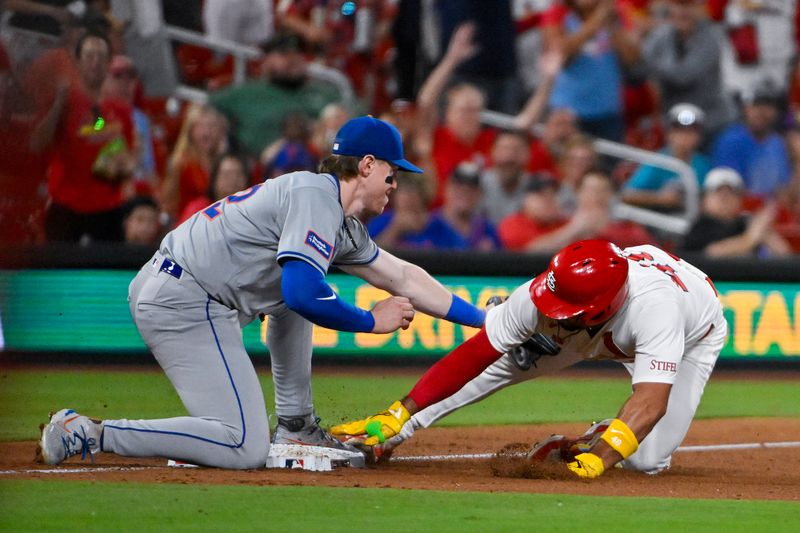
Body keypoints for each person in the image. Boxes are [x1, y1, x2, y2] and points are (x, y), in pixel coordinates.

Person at [36, 116, 489, 470]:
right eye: (392, 173)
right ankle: (92, 434)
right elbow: (303, 294)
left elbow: (405, 277)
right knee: (242, 443)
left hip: (191, 292)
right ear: (367, 165)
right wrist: (372, 322)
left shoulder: (337, 220)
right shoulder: (315, 195)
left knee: (300, 287)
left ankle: (295, 425)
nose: (396, 185)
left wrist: (487, 322)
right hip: (185, 297)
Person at [332, 239, 728, 478]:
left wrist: (601, 459)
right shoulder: (539, 292)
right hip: (595, 322)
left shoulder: (656, 310)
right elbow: (475, 356)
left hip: (693, 334)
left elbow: (651, 400)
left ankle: (596, 436)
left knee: (647, 461)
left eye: (562, 307)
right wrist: (399, 414)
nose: (549, 308)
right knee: (501, 365)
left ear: (599, 307)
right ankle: (390, 436)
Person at [29, 30, 135, 243]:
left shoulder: (119, 111)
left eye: (101, 57)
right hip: (65, 208)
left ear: (108, 64)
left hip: (108, 209)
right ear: (77, 62)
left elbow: (122, 168)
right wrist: (58, 106)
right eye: (88, 56)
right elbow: (36, 145)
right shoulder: (61, 104)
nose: (95, 62)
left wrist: (106, 138)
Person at [209, 32, 343, 158]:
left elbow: (354, 112)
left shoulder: (324, 93)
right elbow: (207, 108)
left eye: (298, 53)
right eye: (284, 53)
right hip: (258, 171)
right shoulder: (245, 94)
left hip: (316, 168)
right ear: (266, 60)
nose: (293, 59)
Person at [643, 0, 734, 143]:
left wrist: (648, 65)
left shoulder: (713, 35)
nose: (683, 11)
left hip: (711, 126)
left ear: (700, 7)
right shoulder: (662, 34)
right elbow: (636, 71)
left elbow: (683, 76)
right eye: (679, 5)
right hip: (676, 126)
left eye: (689, 5)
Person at [681, 167, 791, 257]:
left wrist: (765, 229)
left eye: (731, 193)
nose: (725, 199)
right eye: (718, 193)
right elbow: (712, 253)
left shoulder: (745, 223)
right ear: (704, 200)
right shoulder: (699, 227)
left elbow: (784, 255)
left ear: (740, 200)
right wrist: (751, 237)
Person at [622, 103, 711, 213]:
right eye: (679, 131)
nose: (684, 137)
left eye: (690, 132)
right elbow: (627, 194)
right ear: (669, 134)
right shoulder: (658, 162)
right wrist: (659, 198)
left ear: (699, 136)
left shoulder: (703, 164)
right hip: (661, 219)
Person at [711, 81, 792, 198]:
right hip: (739, 211)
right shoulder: (731, 140)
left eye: (767, 105)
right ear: (745, 108)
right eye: (756, 105)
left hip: (774, 210)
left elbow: (786, 191)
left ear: (776, 111)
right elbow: (728, 192)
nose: (761, 112)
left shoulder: (778, 143)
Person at [177, 152, 250, 225]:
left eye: (238, 174)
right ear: (214, 179)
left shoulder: (251, 211)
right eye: (227, 174)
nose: (233, 180)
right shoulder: (199, 209)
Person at [479, 131, 534, 225]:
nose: (509, 157)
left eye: (516, 150)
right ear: (493, 152)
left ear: (528, 155)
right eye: (504, 149)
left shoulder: (537, 188)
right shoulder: (477, 184)